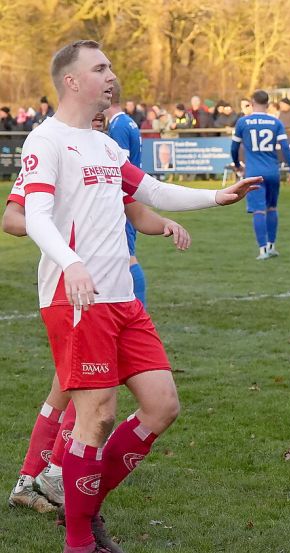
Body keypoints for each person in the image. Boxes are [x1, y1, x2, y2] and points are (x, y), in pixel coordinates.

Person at [20, 40, 258, 553]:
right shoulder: (46, 140)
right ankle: (80, 541)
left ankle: (78, 508)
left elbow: (149, 190)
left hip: (122, 299)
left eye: (110, 65)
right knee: (97, 415)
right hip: (76, 299)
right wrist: (72, 262)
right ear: (72, 81)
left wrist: (217, 197)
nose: (111, 75)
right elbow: (33, 216)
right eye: (100, 68)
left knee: (162, 406)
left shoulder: (106, 145)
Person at [4, 112, 192, 517]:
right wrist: (50, 226)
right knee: (76, 391)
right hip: (75, 288)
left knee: (82, 390)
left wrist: (165, 225)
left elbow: (137, 207)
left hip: (117, 280)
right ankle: (39, 475)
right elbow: (13, 218)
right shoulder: (54, 153)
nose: (100, 126)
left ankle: (48, 473)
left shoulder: (105, 158)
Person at [232, 90, 290, 259]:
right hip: (272, 172)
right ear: (268, 105)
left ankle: (262, 250)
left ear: (252, 103)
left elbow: (234, 148)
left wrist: (238, 165)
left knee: (258, 211)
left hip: (254, 172)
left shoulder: (243, 122)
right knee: (272, 208)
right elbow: (285, 148)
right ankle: (272, 246)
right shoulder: (275, 122)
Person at [105, 79, 150, 305]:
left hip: (125, 197)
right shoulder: (127, 122)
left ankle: (138, 310)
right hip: (130, 195)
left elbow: (118, 166)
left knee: (128, 256)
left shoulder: (119, 125)